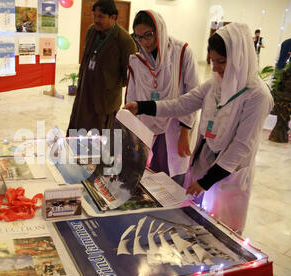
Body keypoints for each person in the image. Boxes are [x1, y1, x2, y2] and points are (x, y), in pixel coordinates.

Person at [123, 22, 273, 234]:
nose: (216, 68)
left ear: (240, 58)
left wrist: (207, 181)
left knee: (221, 230)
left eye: (221, 62)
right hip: (203, 163)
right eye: (212, 61)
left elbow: (241, 147)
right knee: (194, 224)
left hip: (229, 176)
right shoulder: (215, 84)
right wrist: (142, 106)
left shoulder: (257, 95)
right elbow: (181, 103)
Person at [126, 10, 199, 185]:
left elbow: (193, 94)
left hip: (175, 127)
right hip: (146, 125)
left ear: (159, 30)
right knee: (147, 177)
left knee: (172, 178)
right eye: (139, 37)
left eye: (148, 35)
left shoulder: (181, 52)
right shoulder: (136, 60)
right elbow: (131, 97)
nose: (145, 42)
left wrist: (185, 131)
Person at [67, 0, 137, 136]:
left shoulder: (124, 40)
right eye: (94, 16)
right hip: (85, 94)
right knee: (78, 132)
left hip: (105, 101)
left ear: (113, 17)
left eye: (101, 17)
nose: (96, 20)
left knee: (101, 140)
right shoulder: (92, 31)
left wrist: (108, 82)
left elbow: (128, 77)